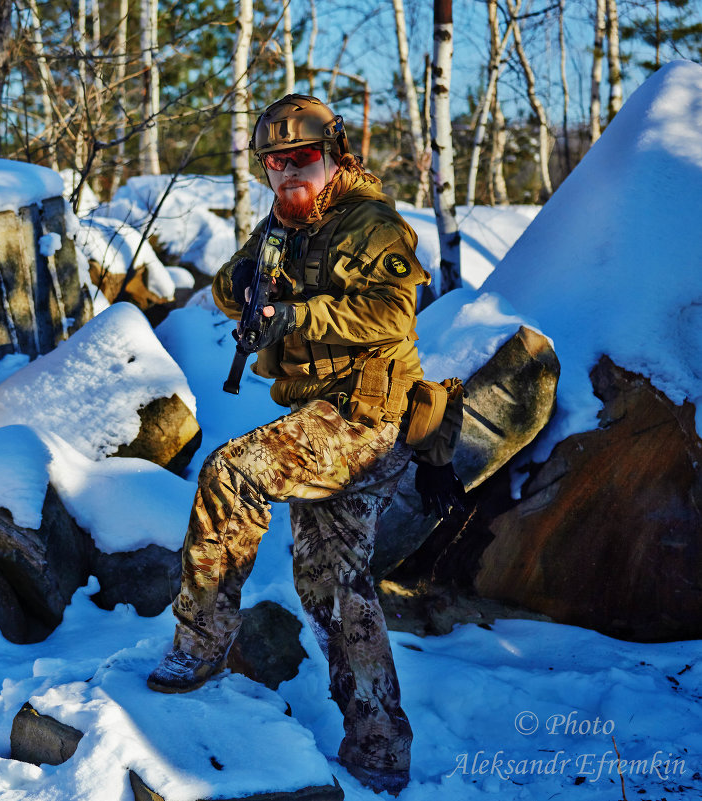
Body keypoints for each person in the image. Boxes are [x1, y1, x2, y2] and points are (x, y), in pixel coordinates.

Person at [145, 94, 465, 797]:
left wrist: (296, 310)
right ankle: (379, 747)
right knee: (332, 587)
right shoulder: (285, 220)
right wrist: (257, 287)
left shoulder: (370, 223)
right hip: (327, 419)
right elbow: (233, 288)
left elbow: (391, 310)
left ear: (334, 156)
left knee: (232, 471)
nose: (288, 172)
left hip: (365, 419)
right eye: (274, 163)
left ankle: (198, 643)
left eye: (302, 160)